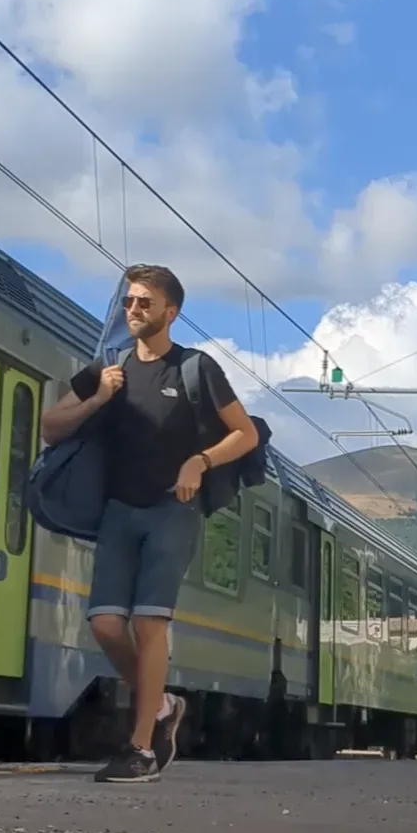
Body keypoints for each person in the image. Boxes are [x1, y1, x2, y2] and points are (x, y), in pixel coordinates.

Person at [39, 264, 259, 782]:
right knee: (104, 623)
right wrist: (98, 398)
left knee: (148, 622)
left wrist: (200, 461)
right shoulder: (109, 366)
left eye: (145, 302)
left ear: (170, 312)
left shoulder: (195, 368)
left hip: (171, 510)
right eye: (129, 301)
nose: (133, 310)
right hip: (119, 510)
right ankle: (162, 705)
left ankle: (140, 750)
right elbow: (51, 427)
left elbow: (245, 433)